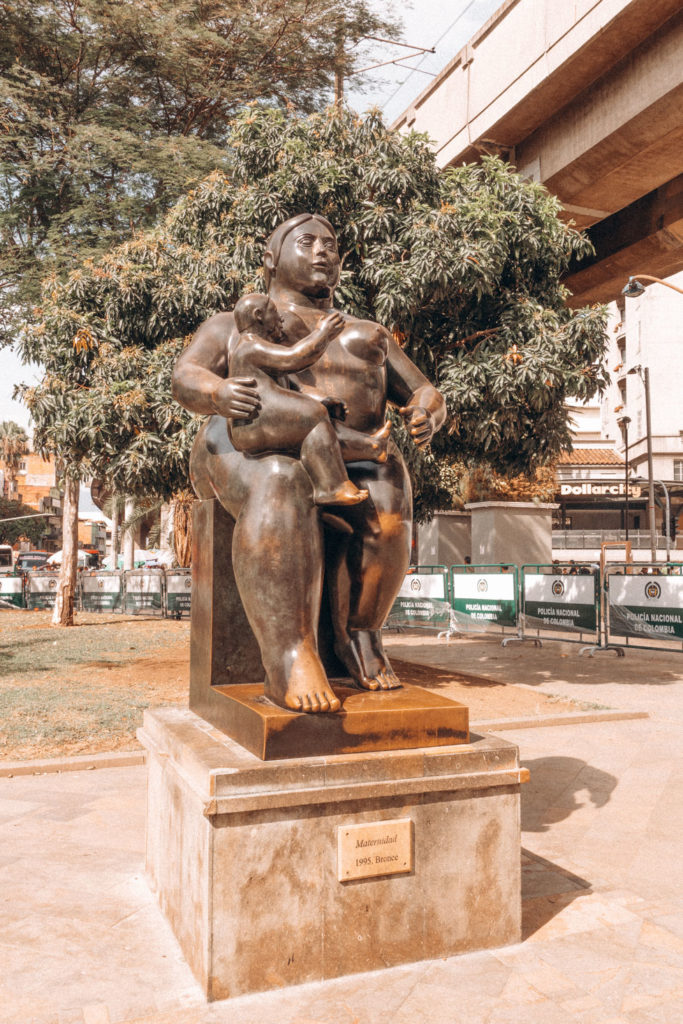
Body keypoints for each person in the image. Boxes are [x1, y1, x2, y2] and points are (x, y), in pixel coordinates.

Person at [172, 213, 446, 713]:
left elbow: (423, 388)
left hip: (354, 454)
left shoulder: (368, 333)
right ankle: (290, 656)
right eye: (307, 242)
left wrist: (427, 410)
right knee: (281, 478)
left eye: (331, 243)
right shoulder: (238, 323)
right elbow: (186, 376)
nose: (323, 250)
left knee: (387, 490)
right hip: (249, 446)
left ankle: (361, 632)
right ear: (271, 259)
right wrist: (218, 390)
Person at [229, 292, 381, 507]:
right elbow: (295, 357)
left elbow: (287, 387)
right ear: (259, 315)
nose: (280, 318)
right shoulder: (250, 346)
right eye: (274, 312)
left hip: (263, 418)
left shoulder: (256, 346)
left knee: (319, 418)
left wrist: (323, 401)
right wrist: (323, 334)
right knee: (313, 414)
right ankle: (331, 486)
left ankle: (374, 446)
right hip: (255, 422)